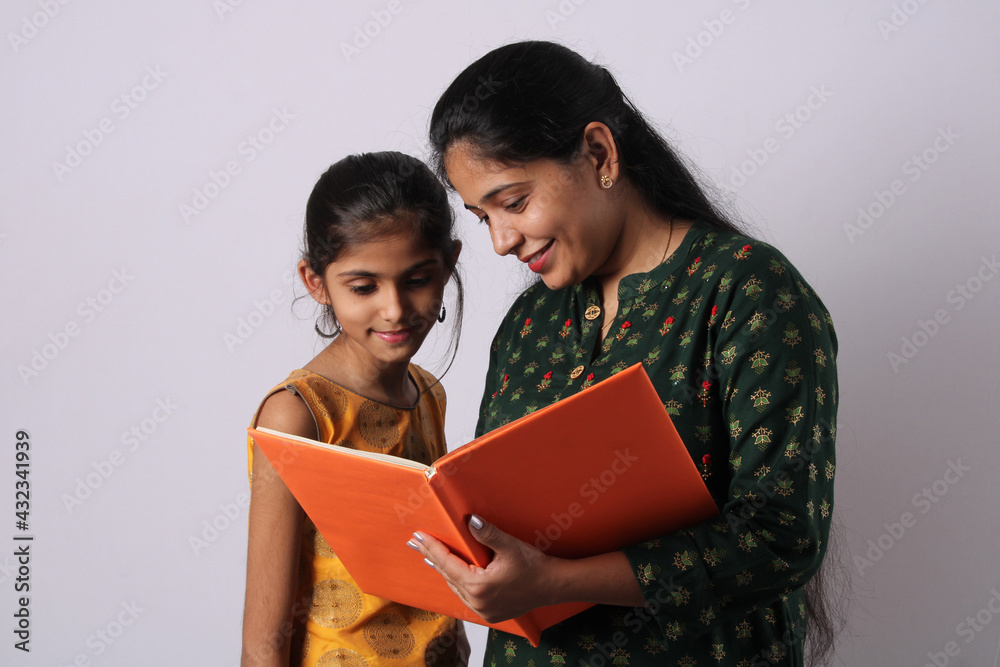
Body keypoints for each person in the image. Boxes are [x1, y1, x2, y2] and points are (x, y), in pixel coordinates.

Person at [408, 41, 840, 666]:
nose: (501, 241)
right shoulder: (528, 325)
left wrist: (558, 581)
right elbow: (491, 514)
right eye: (482, 218)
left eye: (514, 201)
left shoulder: (746, 291)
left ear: (599, 153)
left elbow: (782, 538)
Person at [241, 151, 470, 667]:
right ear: (316, 281)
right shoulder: (297, 416)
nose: (394, 309)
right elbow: (262, 640)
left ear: (449, 262)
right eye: (364, 287)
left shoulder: (428, 392)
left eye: (417, 279)